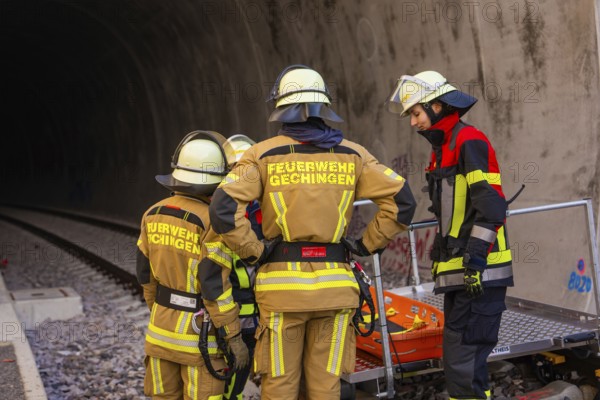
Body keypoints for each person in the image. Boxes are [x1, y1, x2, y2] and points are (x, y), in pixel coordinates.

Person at [209, 65, 417, 400]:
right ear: (324, 108)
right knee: (326, 387)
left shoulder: (263, 154)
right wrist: (365, 244)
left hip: (281, 291)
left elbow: (222, 209)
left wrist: (253, 250)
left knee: (280, 385)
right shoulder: (353, 154)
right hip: (336, 289)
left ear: (283, 109)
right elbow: (402, 201)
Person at [386, 71, 514, 400]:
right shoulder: (444, 147)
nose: (413, 123)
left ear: (438, 106)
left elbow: (491, 208)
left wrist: (474, 259)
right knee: (460, 366)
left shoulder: (468, 141)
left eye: (415, 113)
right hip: (463, 275)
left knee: (464, 366)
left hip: (478, 273)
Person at [136, 130, 249, 400]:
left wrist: (163, 310)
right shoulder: (212, 223)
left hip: (160, 335)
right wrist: (233, 337)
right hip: (200, 342)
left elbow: (144, 276)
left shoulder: (151, 213)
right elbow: (214, 288)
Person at [221, 134, 262, 400]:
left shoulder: (261, 210)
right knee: (234, 367)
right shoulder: (222, 211)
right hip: (234, 308)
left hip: (257, 307)